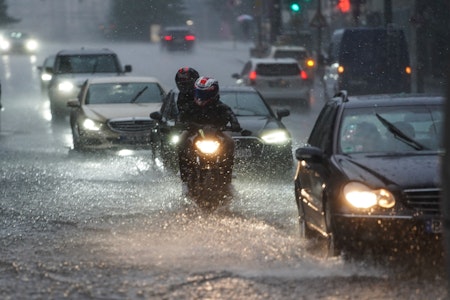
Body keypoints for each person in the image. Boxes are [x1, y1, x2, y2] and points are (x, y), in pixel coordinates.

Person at [178, 76, 242, 183]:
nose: (201, 97)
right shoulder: (190, 106)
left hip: (216, 133)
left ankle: (227, 173)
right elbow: (180, 117)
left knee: (230, 142)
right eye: (199, 93)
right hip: (194, 131)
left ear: (213, 93)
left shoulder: (221, 107)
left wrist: (235, 125)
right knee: (181, 141)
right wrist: (180, 124)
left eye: (204, 94)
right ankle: (185, 174)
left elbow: (231, 115)